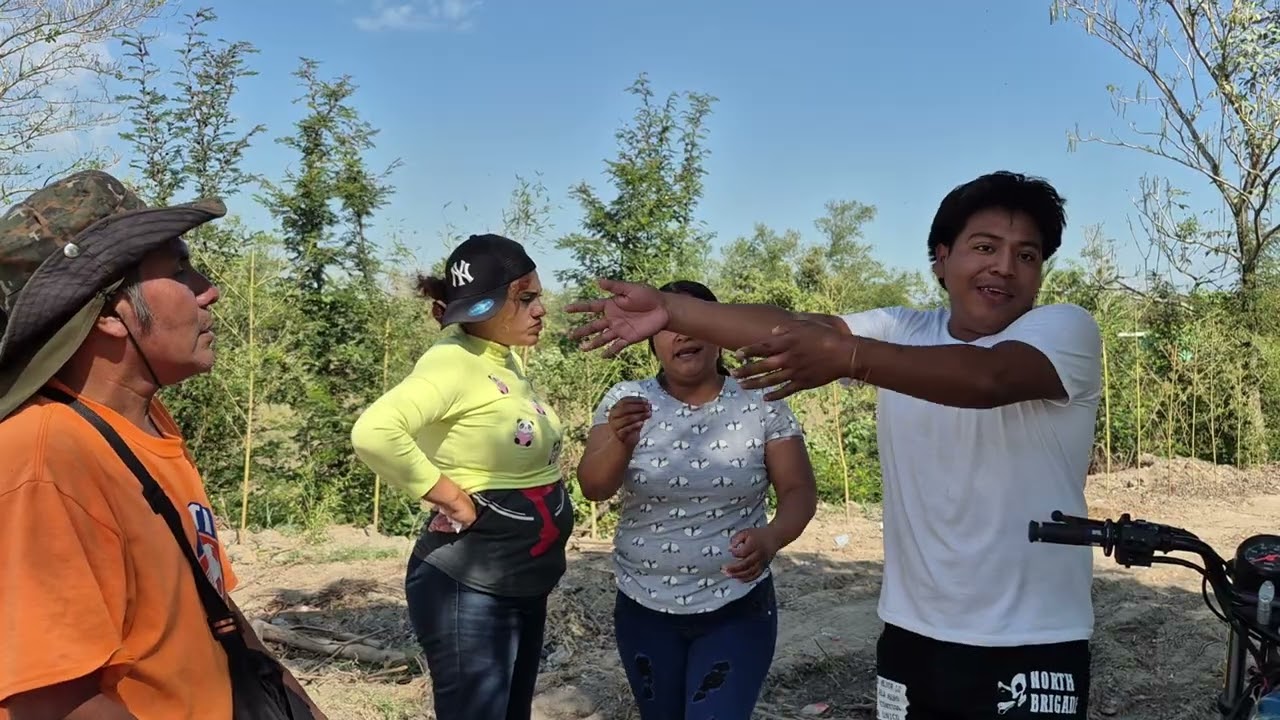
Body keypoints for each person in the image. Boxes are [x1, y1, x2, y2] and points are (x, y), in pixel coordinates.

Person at [564, 171, 1103, 719]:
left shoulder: (1064, 331)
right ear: (941, 259)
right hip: (913, 633)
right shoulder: (901, 330)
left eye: (1026, 255)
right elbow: (789, 328)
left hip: (1035, 639)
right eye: (985, 247)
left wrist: (847, 357)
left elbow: (988, 379)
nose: (1005, 266)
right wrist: (672, 310)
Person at [0, 170, 326, 719]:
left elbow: (212, 607)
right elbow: (53, 702)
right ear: (110, 314)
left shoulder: (145, 421)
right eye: (178, 270)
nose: (209, 290)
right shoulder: (44, 459)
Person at [350, 233, 574, 720]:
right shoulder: (453, 362)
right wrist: (451, 497)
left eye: (539, 297)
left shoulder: (499, 358)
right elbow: (375, 431)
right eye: (526, 298)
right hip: (470, 588)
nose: (541, 310)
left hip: (518, 580)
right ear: (483, 306)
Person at [577, 280, 817, 720]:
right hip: (642, 606)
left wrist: (772, 538)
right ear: (651, 341)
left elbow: (798, 490)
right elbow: (593, 487)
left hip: (737, 605)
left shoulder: (761, 398)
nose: (682, 334)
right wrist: (618, 439)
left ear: (719, 333)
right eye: (668, 324)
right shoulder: (626, 402)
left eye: (692, 319)